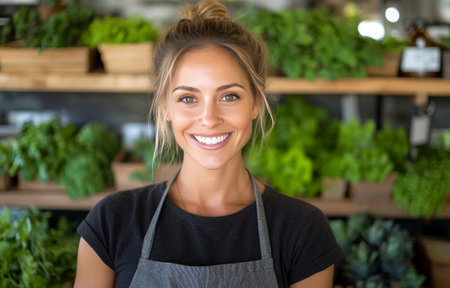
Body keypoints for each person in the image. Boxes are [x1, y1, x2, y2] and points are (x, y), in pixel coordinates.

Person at [74, 0, 344, 287]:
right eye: (188, 98)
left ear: (255, 102)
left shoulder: (302, 230)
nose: (209, 118)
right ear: (165, 106)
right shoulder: (112, 222)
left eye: (229, 96)